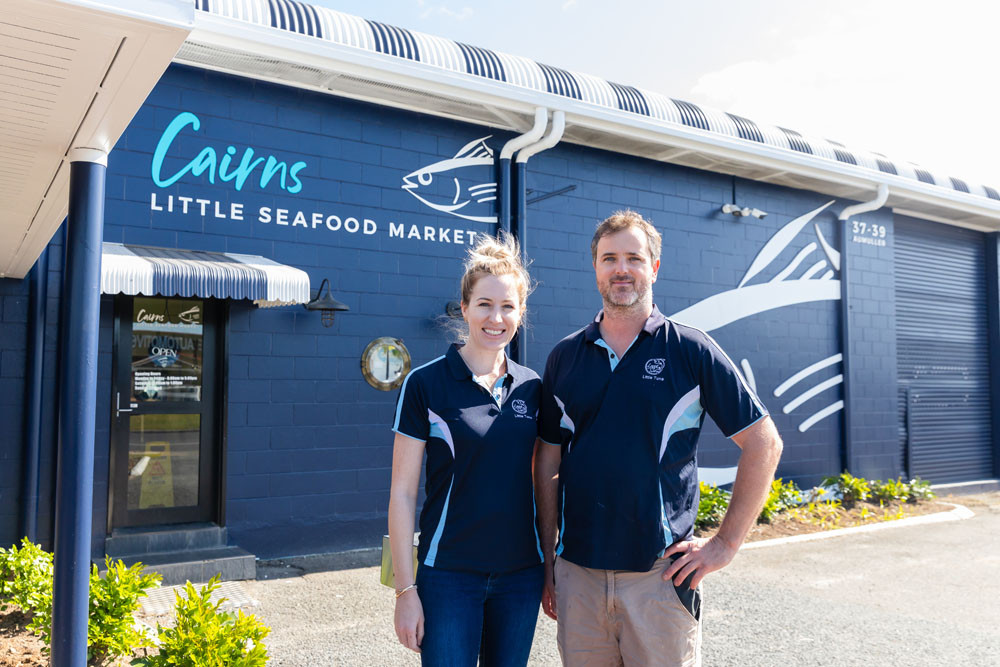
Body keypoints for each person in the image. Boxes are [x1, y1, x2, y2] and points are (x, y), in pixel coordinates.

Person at [534, 210, 784, 666]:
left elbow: (764, 442)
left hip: (660, 578)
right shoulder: (564, 357)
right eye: (609, 258)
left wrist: (724, 544)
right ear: (595, 268)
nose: (621, 269)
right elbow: (547, 461)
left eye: (634, 257)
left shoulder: (691, 350)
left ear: (654, 268)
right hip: (578, 576)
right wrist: (548, 556)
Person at [388, 232, 544, 666]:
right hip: (449, 575)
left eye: (508, 306)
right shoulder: (425, 384)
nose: (496, 317)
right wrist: (405, 592)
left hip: (521, 577)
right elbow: (401, 494)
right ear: (464, 308)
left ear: (520, 313)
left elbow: (547, 480)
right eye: (485, 305)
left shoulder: (533, 387)